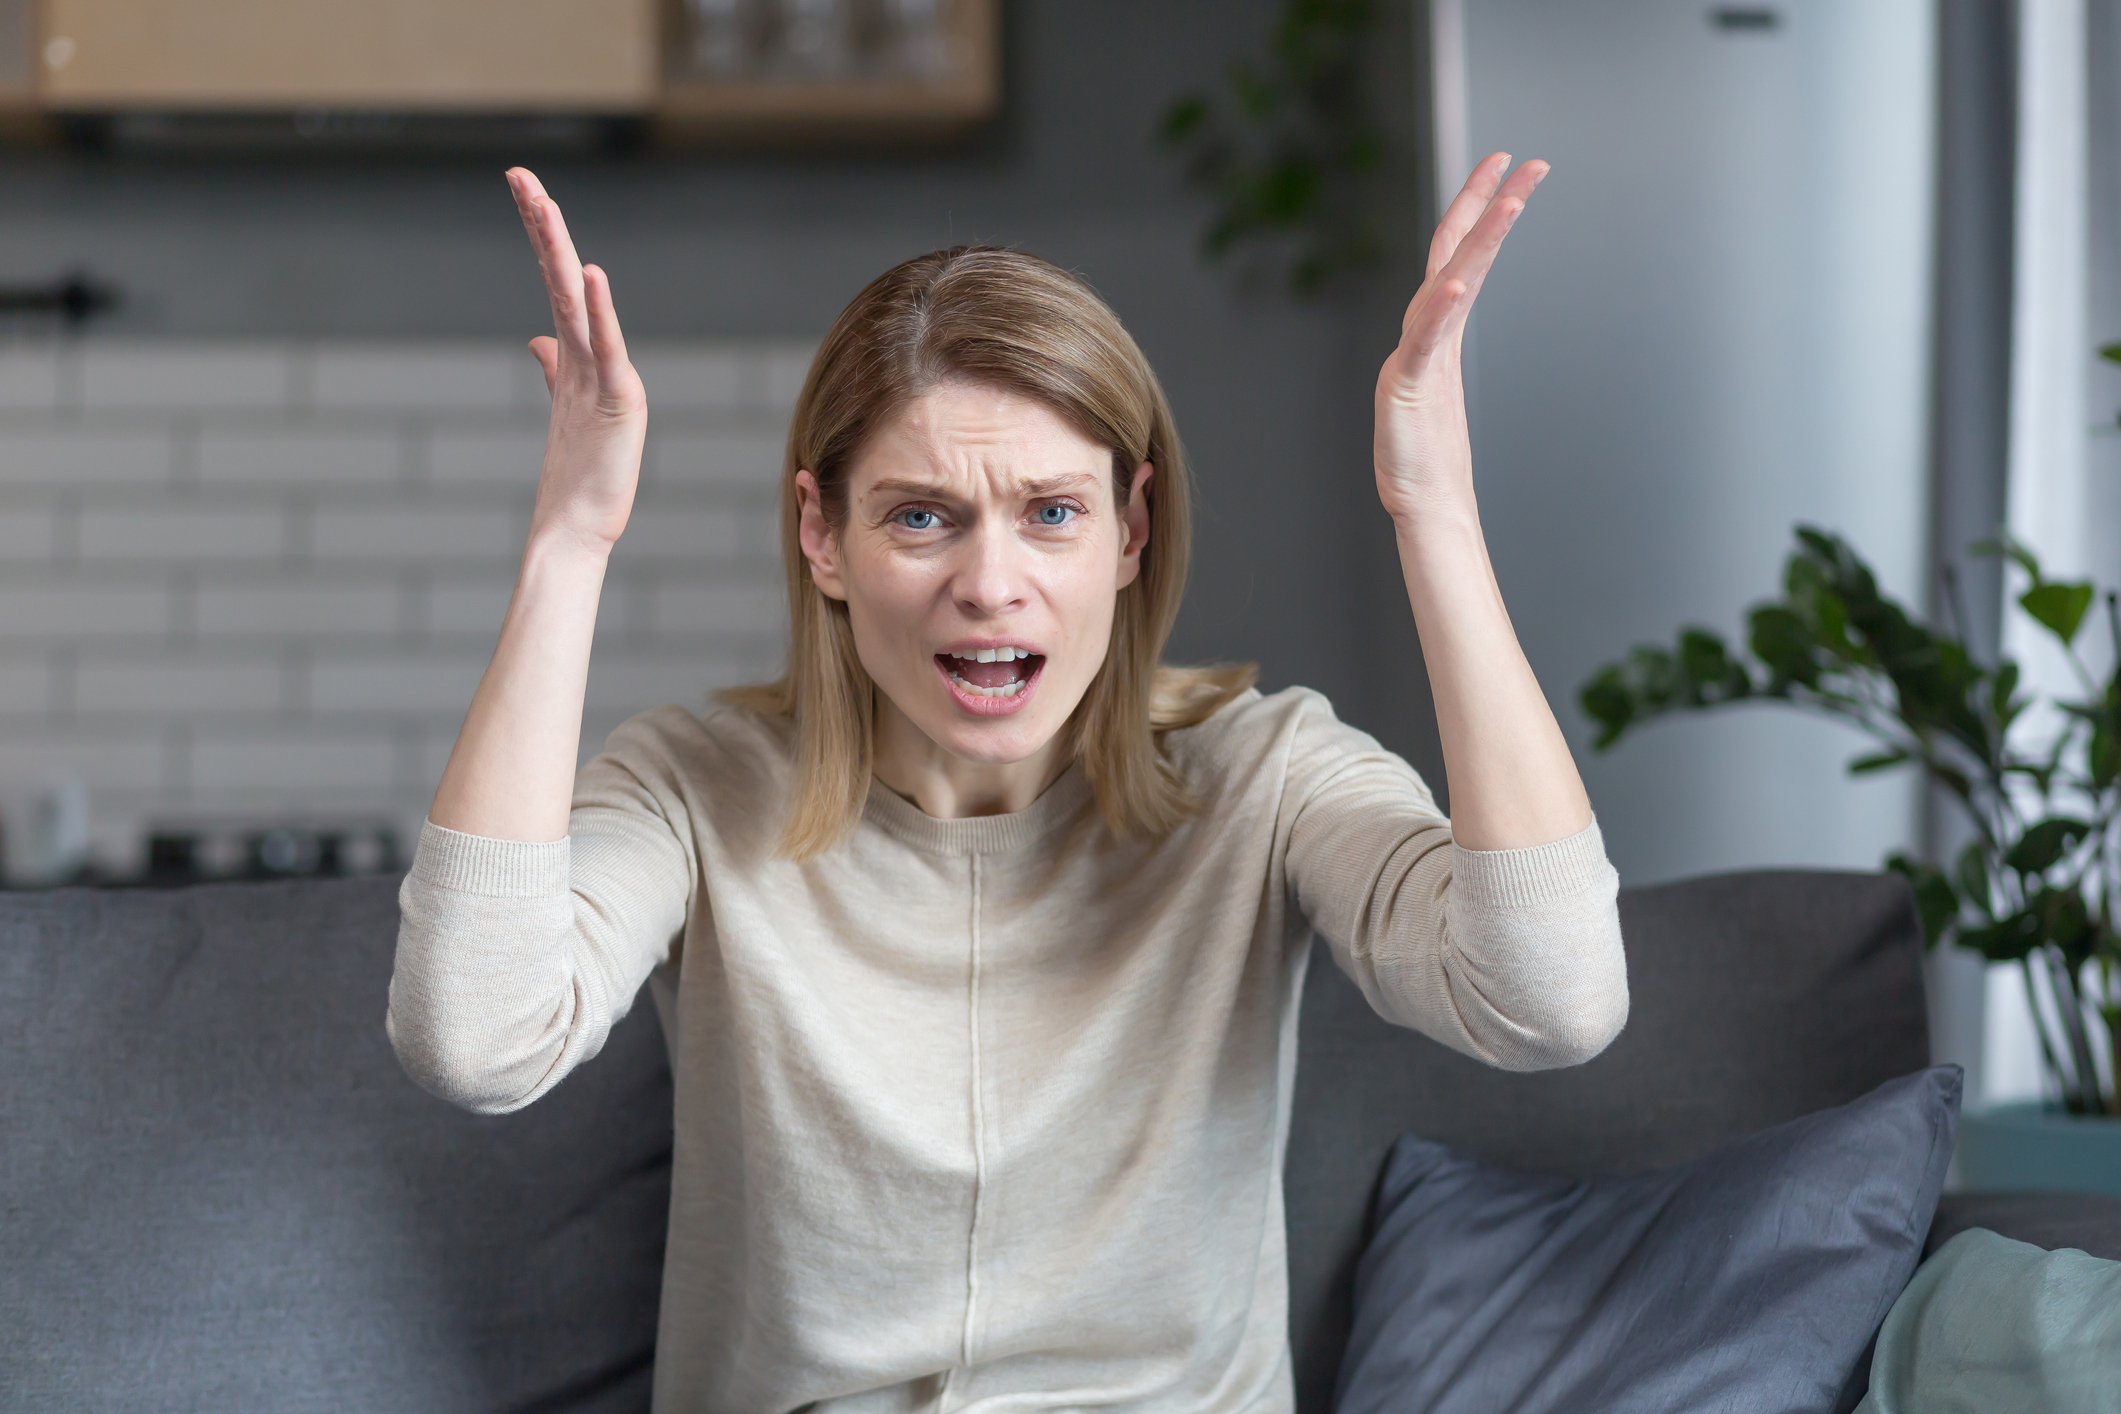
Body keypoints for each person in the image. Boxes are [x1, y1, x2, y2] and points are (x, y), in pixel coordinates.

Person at [387, 151, 1627, 1414]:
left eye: (1050, 512)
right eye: (922, 516)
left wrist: (1437, 514)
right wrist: (569, 543)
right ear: (823, 535)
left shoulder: (1264, 771)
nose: (989, 582)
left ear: (1131, 529)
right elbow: (476, 1040)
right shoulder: (692, 788)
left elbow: (1551, 1001)